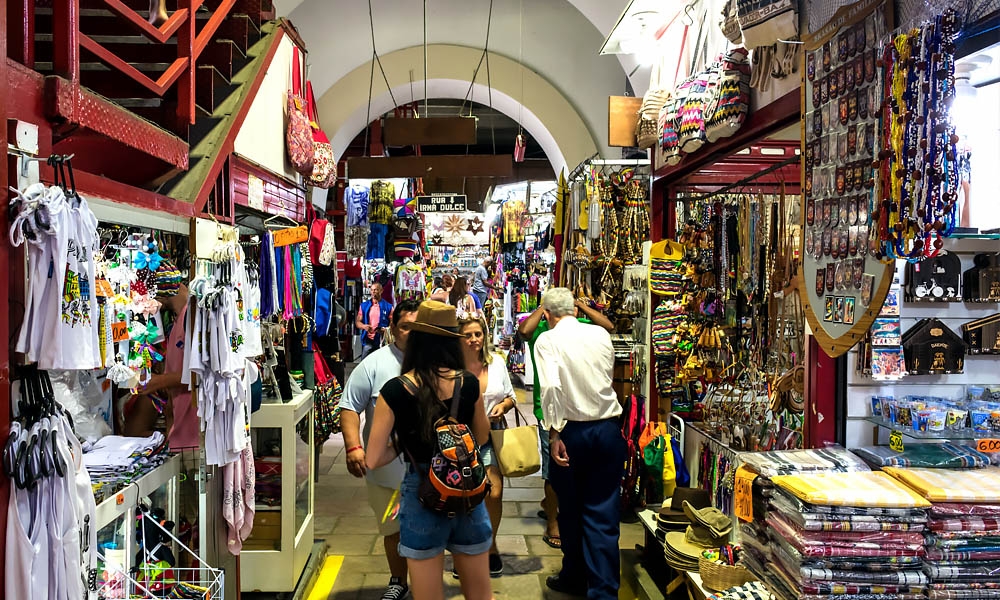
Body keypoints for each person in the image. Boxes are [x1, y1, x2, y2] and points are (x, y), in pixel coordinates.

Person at [366, 301, 494, 600]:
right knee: (481, 595)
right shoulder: (468, 383)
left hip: (423, 492)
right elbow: (482, 435)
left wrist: (407, 441)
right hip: (467, 491)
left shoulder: (395, 390)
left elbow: (373, 459)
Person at [533, 288, 625, 599]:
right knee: (603, 513)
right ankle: (603, 590)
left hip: (573, 433)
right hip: (608, 429)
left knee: (570, 509)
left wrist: (554, 432)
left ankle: (574, 575)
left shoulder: (548, 340)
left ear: (547, 315)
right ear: (575, 310)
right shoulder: (600, 335)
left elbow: (550, 388)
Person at [517, 295, 613, 551]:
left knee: (566, 478)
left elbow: (608, 326)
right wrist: (544, 307)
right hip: (557, 415)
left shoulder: (581, 326)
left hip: (568, 419)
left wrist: (578, 306)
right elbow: (523, 331)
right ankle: (553, 521)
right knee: (554, 473)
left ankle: (565, 527)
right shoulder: (542, 331)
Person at [339, 300, 421, 600]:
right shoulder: (373, 364)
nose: (410, 334)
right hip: (386, 471)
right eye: (405, 327)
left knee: (427, 527)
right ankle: (398, 580)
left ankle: (426, 582)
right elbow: (349, 407)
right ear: (393, 327)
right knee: (392, 528)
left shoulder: (436, 363)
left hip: (429, 469)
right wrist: (353, 447)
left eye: (417, 327)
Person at [459, 316, 515, 578]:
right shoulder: (452, 367)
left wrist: (502, 406)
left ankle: (490, 547)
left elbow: (510, 397)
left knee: (493, 494)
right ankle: (467, 550)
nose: (474, 340)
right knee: (465, 496)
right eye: (468, 335)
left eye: (478, 334)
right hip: (460, 439)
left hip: (492, 436)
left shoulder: (497, 363)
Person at [356, 281, 394, 359]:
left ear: (381, 291)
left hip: (382, 340)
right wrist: (364, 326)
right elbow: (358, 322)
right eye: (372, 290)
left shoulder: (388, 307)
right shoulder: (364, 306)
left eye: (376, 290)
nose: (373, 292)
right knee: (365, 362)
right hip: (368, 339)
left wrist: (386, 329)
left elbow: (392, 322)